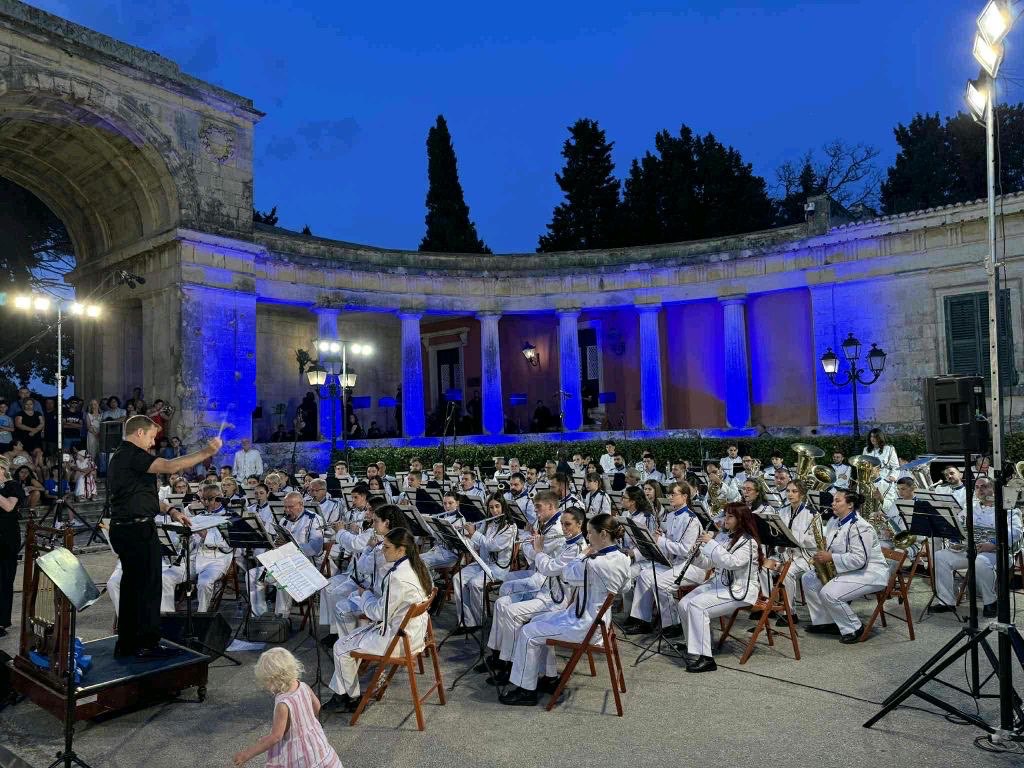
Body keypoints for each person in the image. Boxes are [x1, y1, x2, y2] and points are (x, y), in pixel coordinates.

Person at [106, 414, 221, 658]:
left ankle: (128, 643)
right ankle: (147, 645)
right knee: (148, 588)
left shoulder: (122, 457)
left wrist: (170, 510)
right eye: (150, 437)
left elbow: (141, 496)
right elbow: (170, 466)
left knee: (132, 588)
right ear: (139, 433)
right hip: (136, 530)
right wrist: (207, 451)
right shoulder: (131, 454)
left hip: (127, 527)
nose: (152, 443)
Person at [499, 513, 631, 706]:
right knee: (536, 621)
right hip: (601, 623)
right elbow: (625, 587)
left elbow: (568, 574)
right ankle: (549, 676)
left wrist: (582, 554)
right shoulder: (622, 558)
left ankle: (526, 690)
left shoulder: (595, 563)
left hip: (584, 625)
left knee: (528, 632)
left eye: (590, 533)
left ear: (603, 534)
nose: (588, 538)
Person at [324, 527, 432, 713]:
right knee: (349, 642)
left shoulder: (397, 577)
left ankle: (350, 698)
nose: (382, 551)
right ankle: (342, 694)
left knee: (340, 647)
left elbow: (378, 614)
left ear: (401, 550)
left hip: (398, 641)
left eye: (387, 547)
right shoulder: (416, 566)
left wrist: (364, 594)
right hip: (415, 635)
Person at [481, 506, 586, 686]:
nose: (563, 528)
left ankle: (510, 665)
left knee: (512, 613)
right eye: (562, 524)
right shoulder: (568, 542)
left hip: (557, 599)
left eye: (568, 524)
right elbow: (548, 564)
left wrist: (538, 550)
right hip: (546, 591)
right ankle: (499, 656)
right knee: (501, 603)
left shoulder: (576, 548)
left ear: (580, 524)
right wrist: (537, 546)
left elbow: (549, 568)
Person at [675, 502, 762, 673]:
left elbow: (731, 563)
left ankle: (707, 659)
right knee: (683, 604)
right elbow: (709, 563)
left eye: (730, 516)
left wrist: (711, 544)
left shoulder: (748, 542)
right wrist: (697, 555)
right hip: (720, 584)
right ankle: (694, 647)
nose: (725, 519)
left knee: (697, 606)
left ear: (741, 519)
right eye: (725, 515)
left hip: (739, 590)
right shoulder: (724, 536)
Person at [801, 488, 889, 643]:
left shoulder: (861, 527)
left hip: (871, 573)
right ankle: (826, 622)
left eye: (837, 500)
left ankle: (854, 628)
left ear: (850, 505)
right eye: (833, 500)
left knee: (829, 593)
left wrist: (831, 557)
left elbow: (860, 560)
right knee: (808, 578)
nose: (832, 504)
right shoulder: (835, 522)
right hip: (850, 570)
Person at [233, 647, 342, 767]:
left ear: (273, 680)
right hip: (315, 744)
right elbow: (317, 707)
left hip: (298, 754)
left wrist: (247, 754)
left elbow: (276, 736)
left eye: (266, 682)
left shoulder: (283, 704)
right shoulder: (304, 686)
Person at [931, 476, 1022, 617]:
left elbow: (1016, 532)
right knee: (940, 556)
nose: (980, 490)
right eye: (977, 487)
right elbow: (958, 527)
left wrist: (993, 544)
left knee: (980, 561)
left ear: (994, 489)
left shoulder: (1008, 509)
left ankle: (990, 602)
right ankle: (946, 602)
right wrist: (956, 542)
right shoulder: (970, 508)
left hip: (997, 552)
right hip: (970, 550)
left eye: (984, 486)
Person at [625, 482, 707, 638]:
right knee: (645, 575)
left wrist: (661, 541)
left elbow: (685, 550)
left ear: (685, 496)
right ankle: (643, 620)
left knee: (660, 583)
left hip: (691, 566)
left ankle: (673, 624)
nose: (670, 497)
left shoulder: (691, 520)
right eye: (669, 494)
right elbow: (670, 542)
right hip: (674, 563)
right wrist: (660, 537)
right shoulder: (671, 516)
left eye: (673, 494)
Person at [452, 494, 516, 628]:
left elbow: (492, 546)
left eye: (497, 506)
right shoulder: (487, 523)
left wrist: (474, 533)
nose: (494, 511)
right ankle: (467, 621)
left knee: (475, 583)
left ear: (503, 507)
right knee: (458, 578)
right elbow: (476, 544)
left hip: (498, 568)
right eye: (491, 507)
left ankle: (480, 621)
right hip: (482, 563)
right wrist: (463, 538)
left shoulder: (510, 527)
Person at [0, 461, 25, 637]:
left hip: (6, 539)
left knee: (3, 579)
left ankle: (1, 621)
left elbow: (9, 507)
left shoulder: (12, 486)